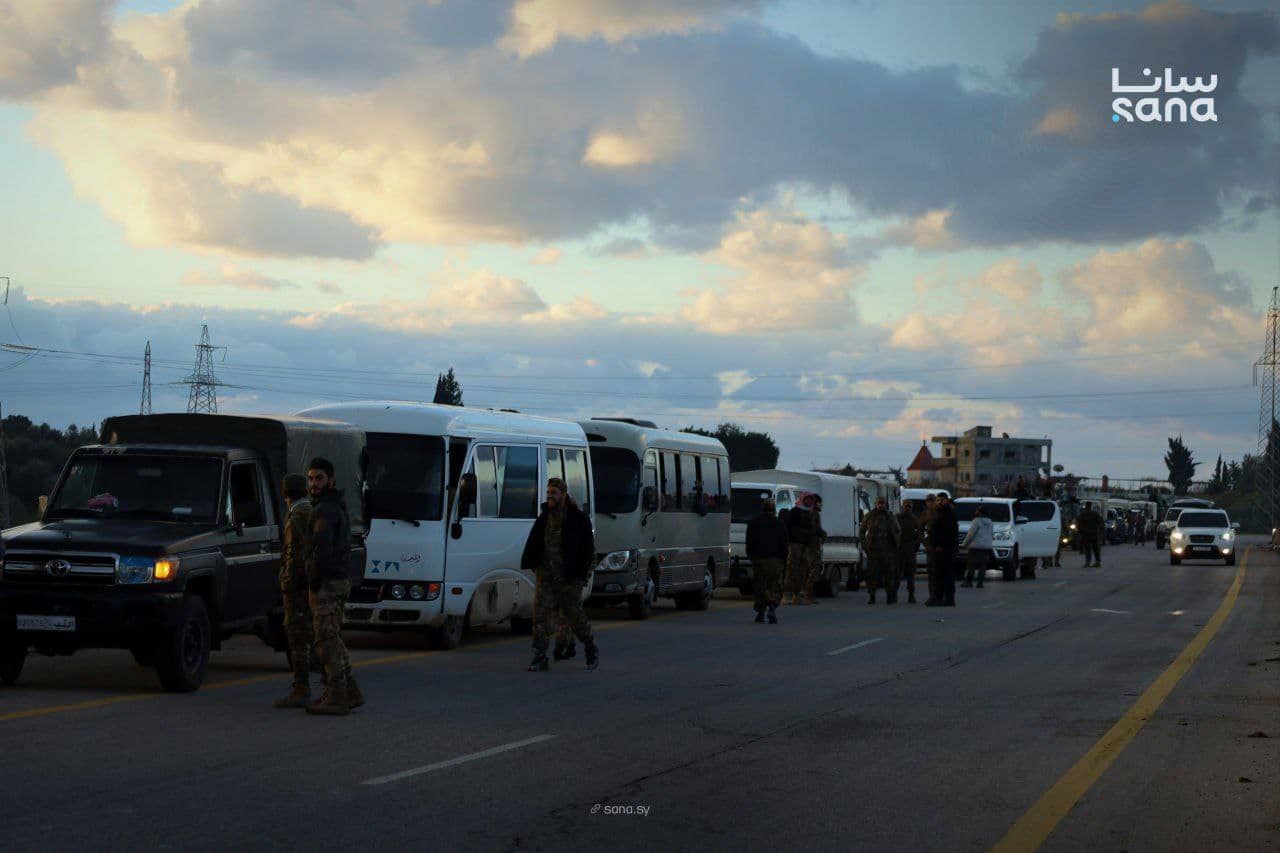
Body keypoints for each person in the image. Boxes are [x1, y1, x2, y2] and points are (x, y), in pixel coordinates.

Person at [304, 457, 362, 716]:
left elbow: (322, 549)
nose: (313, 483)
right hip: (338, 578)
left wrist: (315, 579)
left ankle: (337, 694)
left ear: (331, 480)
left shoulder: (325, 509)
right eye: (310, 478)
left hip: (328, 581)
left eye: (319, 478)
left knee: (325, 638)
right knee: (333, 636)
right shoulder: (332, 505)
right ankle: (349, 690)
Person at [522, 478, 599, 672]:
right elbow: (535, 541)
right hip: (546, 577)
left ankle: (590, 647)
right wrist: (533, 562)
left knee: (574, 616)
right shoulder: (544, 518)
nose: (550, 496)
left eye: (553, 493)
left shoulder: (577, 519)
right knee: (540, 616)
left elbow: (587, 549)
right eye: (548, 493)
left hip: (569, 578)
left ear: (563, 495)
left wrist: (582, 574)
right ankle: (540, 656)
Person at [274, 474, 315, 709]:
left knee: (297, 636)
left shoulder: (296, 516)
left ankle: (301, 689)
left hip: (298, 587)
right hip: (311, 584)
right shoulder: (311, 510)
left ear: (285, 493)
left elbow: (293, 554)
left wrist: (286, 582)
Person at [745, 496, 787, 624]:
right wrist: (783, 559)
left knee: (760, 585)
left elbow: (749, 542)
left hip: (758, 559)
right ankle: (772, 608)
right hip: (775, 560)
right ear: (774, 509)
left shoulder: (753, 522)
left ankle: (760, 612)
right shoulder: (780, 523)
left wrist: (751, 556)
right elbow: (784, 543)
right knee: (774, 585)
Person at [859, 496, 900, 604]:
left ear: (885, 504)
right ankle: (872, 596)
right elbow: (862, 531)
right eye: (879, 503)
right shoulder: (869, 516)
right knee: (872, 574)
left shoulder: (890, 516)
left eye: (882, 503)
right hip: (873, 551)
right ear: (875, 504)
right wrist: (864, 545)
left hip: (887, 551)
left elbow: (897, 531)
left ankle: (890, 596)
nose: (880, 505)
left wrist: (896, 545)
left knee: (889, 575)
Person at [784, 493, 817, 606]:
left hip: (806, 545)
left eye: (810, 500)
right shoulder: (795, 511)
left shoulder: (811, 513)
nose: (809, 502)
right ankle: (788, 594)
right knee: (792, 567)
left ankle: (797, 594)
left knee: (803, 569)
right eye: (807, 499)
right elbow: (788, 527)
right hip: (795, 544)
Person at [927, 493, 959, 606]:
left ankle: (949, 599)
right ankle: (938, 598)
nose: (940, 502)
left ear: (946, 501)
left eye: (942, 500)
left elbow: (948, 532)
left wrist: (941, 544)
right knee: (938, 575)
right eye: (938, 500)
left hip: (946, 549)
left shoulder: (949, 514)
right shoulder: (937, 513)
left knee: (947, 575)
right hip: (936, 548)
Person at [894, 501, 921, 604]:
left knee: (911, 575)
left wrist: (916, 546)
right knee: (897, 574)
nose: (907, 508)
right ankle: (894, 595)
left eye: (909, 507)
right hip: (899, 549)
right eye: (906, 506)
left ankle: (911, 596)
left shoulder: (914, 519)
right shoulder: (897, 518)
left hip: (910, 549)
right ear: (902, 507)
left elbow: (919, 533)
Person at [960, 505, 993, 588]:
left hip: (975, 546)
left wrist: (965, 544)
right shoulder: (990, 522)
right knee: (983, 566)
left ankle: (968, 582)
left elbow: (970, 534)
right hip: (986, 547)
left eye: (977, 510)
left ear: (979, 512)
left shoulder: (976, 521)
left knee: (971, 565)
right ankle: (980, 583)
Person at [804, 495, 827, 604]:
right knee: (813, 570)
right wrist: (823, 534)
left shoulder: (812, 513)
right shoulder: (813, 513)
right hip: (812, 546)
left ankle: (808, 594)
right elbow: (815, 528)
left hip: (812, 545)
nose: (821, 504)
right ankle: (808, 595)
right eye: (819, 502)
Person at [1076, 503, 1104, 568]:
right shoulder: (1095, 514)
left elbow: (1079, 524)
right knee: (1096, 548)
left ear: (1086, 506)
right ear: (1091, 506)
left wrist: (1080, 532)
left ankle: (1087, 563)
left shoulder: (1083, 514)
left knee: (1088, 549)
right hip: (1094, 534)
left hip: (1086, 534)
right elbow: (1101, 523)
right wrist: (1099, 531)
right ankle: (1097, 562)